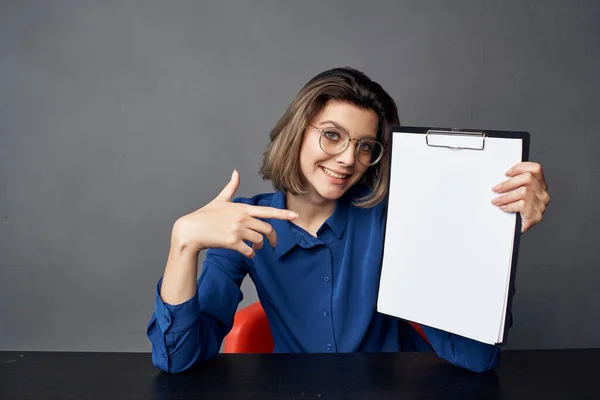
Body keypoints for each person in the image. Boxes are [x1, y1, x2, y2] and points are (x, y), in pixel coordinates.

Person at [146, 67, 550, 374]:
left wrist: (496, 237)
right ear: (297, 133)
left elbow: (477, 357)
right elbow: (177, 360)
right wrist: (183, 243)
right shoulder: (247, 224)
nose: (347, 159)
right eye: (333, 135)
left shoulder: (394, 218)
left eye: (365, 146)